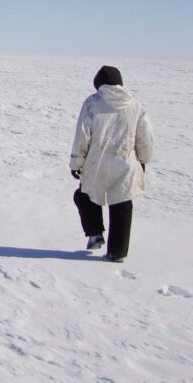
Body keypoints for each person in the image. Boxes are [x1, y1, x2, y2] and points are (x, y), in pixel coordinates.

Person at [69, 65, 155, 262]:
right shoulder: (135, 105)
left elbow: (82, 135)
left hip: (96, 163)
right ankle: (117, 252)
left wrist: (76, 163)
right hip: (126, 163)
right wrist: (143, 160)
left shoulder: (93, 102)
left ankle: (95, 233)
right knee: (122, 205)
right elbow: (145, 137)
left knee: (85, 196)